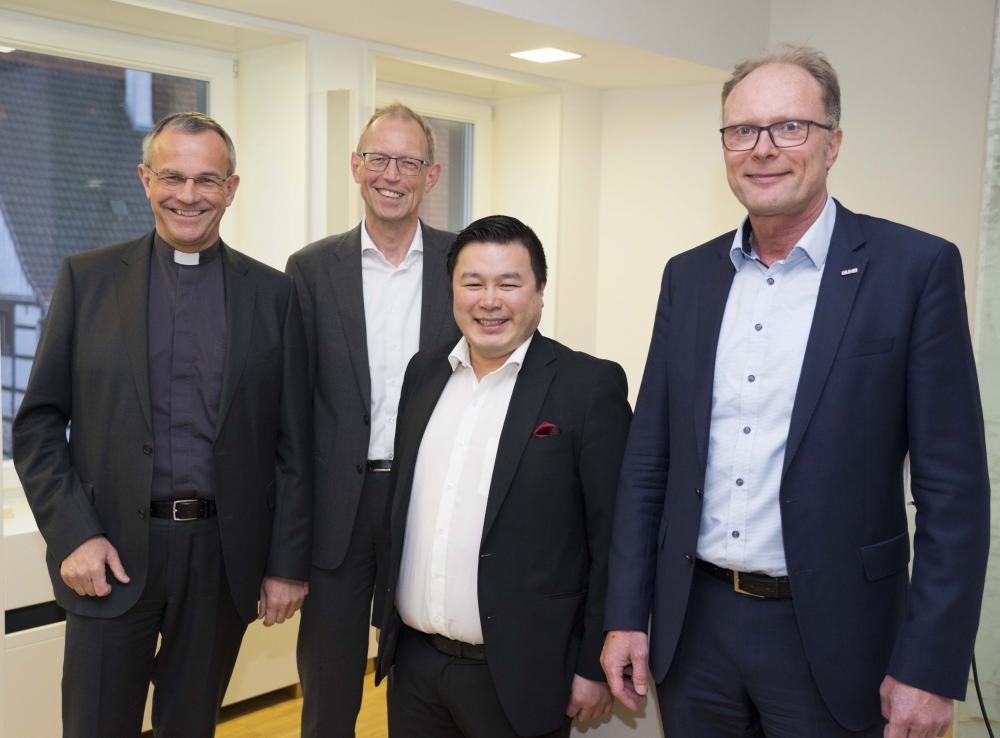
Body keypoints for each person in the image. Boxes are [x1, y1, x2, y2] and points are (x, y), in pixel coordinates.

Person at [601, 45, 990, 738]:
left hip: (838, 637)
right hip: (695, 631)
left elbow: (954, 493)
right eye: (742, 130)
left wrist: (930, 666)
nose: (763, 149)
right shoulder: (689, 279)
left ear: (833, 142)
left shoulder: (913, 270)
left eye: (790, 128)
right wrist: (628, 614)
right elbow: (648, 464)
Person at [12, 111, 312, 738]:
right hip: (110, 552)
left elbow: (293, 443)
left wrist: (286, 563)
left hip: (221, 559)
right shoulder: (86, 280)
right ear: (146, 179)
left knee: (191, 726)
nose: (189, 194)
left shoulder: (274, 295)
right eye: (173, 176)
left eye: (207, 180)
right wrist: (73, 535)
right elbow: (39, 423)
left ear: (231, 189)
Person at [375, 215, 632, 738]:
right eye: (473, 283)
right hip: (416, 667)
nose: (489, 301)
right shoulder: (423, 374)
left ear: (539, 291)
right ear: (452, 290)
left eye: (508, 283)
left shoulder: (588, 387)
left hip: (522, 674)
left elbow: (615, 539)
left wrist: (589, 664)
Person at [285, 101, 460, 736]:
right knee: (329, 690)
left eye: (408, 161)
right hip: (338, 510)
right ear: (356, 167)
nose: (393, 173)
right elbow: (293, 411)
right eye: (379, 158)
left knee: (424, 678)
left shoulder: (461, 265)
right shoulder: (310, 270)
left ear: (431, 176)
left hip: (428, 502)